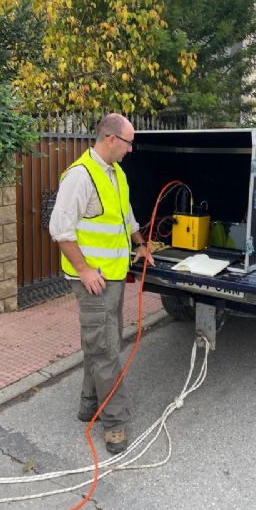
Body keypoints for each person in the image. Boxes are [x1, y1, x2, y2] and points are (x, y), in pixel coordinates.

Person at [49, 113, 154, 454]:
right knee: (106, 348)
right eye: (128, 143)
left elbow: (126, 217)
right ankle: (116, 425)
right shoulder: (81, 177)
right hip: (93, 281)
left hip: (113, 276)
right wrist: (83, 271)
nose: (130, 150)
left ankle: (87, 405)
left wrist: (140, 243)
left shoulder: (116, 175)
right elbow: (60, 231)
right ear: (111, 139)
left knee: (102, 343)